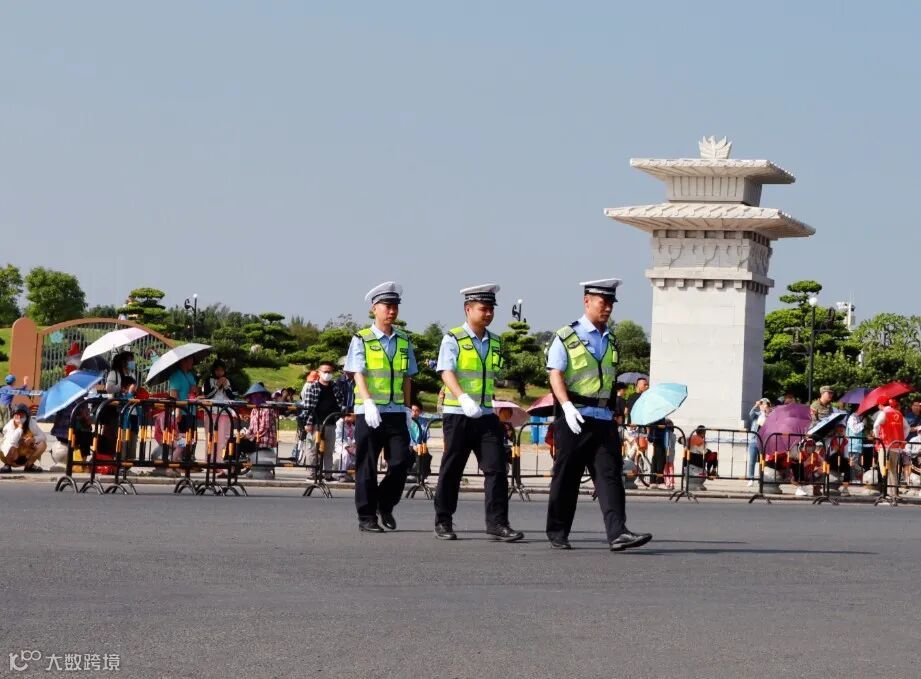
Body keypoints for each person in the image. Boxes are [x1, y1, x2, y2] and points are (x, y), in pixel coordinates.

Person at [545, 278, 651, 552]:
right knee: (567, 476)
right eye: (603, 302)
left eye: (611, 303)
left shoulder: (611, 339)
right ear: (587, 301)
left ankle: (618, 532)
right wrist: (566, 406)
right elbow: (555, 374)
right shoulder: (566, 336)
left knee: (610, 476)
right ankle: (558, 531)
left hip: (603, 418)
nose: (608, 308)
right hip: (575, 416)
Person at [433, 284, 523, 542]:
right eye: (483, 309)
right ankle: (443, 520)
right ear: (468, 309)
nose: (488, 314)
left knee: (496, 468)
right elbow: (446, 372)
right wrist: (463, 398)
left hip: (485, 415)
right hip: (458, 414)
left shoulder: (494, 341)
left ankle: (497, 523)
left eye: (491, 309)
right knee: (452, 469)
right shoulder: (453, 338)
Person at [345, 281, 418, 533]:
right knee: (366, 466)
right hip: (369, 412)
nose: (392, 311)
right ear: (374, 309)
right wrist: (367, 402)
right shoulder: (361, 339)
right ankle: (366, 517)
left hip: (396, 411)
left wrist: (407, 408)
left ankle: (384, 503)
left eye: (395, 306)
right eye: (387, 306)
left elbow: (407, 377)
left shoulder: (404, 340)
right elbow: (357, 373)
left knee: (401, 461)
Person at [301, 361, 348, 481]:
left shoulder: (335, 387)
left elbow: (341, 402)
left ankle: (328, 474)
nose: (327, 374)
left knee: (328, 450)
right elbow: (308, 407)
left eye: (330, 372)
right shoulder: (312, 387)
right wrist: (308, 423)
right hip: (315, 423)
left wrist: (339, 415)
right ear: (319, 372)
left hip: (330, 423)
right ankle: (312, 474)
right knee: (312, 449)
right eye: (325, 371)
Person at [873, 396, 910, 496]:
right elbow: (907, 428)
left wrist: (877, 438)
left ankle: (888, 493)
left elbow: (875, 425)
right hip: (896, 446)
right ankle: (894, 493)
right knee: (893, 470)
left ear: (880, 405)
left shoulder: (884, 413)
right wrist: (901, 438)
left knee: (884, 469)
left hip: (885, 445)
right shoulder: (898, 413)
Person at [242, 382, 277, 478]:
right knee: (233, 441)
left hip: (264, 438)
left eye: (257, 396)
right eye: (253, 397)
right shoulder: (254, 410)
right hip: (255, 437)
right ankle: (232, 467)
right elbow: (251, 427)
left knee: (241, 444)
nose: (255, 399)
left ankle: (235, 467)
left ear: (263, 396)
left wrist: (251, 437)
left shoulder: (267, 409)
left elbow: (264, 428)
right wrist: (245, 434)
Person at [203, 360, 235, 461]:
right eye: (217, 370)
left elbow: (231, 397)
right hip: (211, 412)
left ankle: (219, 461)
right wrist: (217, 385)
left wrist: (226, 387)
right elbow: (207, 395)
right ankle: (209, 461)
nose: (219, 373)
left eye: (222, 370)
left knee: (222, 439)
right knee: (211, 437)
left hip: (224, 413)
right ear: (214, 370)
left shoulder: (227, 381)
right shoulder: (209, 380)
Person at [0, 403, 46, 473]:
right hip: (12, 455)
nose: (20, 417)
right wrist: (19, 427)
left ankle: (29, 465)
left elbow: (43, 436)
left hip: (26, 454)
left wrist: (33, 439)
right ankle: (8, 465)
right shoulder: (9, 425)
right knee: (11, 445)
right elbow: (12, 441)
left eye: (22, 415)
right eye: (17, 415)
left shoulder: (31, 423)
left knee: (42, 444)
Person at [747, 398, 772, 485]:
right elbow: (750, 415)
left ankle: (761, 478)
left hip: (764, 441)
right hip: (754, 440)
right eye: (762, 404)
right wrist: (756, 405)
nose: (763, 406)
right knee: (752, 460)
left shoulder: (769, 416)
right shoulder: (757, 415)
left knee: (763, 461)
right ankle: (751, 478)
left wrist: (767, 412)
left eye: (765, 404)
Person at [407, 402, 431, 483]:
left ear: (420, 412)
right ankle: (408, 473)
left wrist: (420, 443)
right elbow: (407, 434)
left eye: (416, 410)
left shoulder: (423, 421)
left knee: (425, 453)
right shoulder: (407, 420)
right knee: (409, 451)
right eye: (412, 410)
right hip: (409, 444)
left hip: (419, 443)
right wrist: (413, 444)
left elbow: (426, 433)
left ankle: (423, 475)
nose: (414, 413)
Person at [825, 423, 851, 495]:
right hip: (832, 459)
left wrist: (849, 460)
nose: (840, 431)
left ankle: (845, 488)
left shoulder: (846, 441)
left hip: (841, 459)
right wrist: (834, 450)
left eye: (842, 430)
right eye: (839, 429)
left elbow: (845, 454)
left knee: (848, 467)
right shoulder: (830, 439)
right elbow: (828, 453)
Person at [334, 412, 357, 482]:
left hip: (350, 445)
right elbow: (339, 438)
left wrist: (354, 444)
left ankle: (354, 474)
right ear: (349, 416)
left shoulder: (352, 426)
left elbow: (354, 437)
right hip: (340, 445)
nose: (355, 419)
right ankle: (342, 475)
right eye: (354, 417)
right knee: (345, 454)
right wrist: (347, 447)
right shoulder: (339, 424)